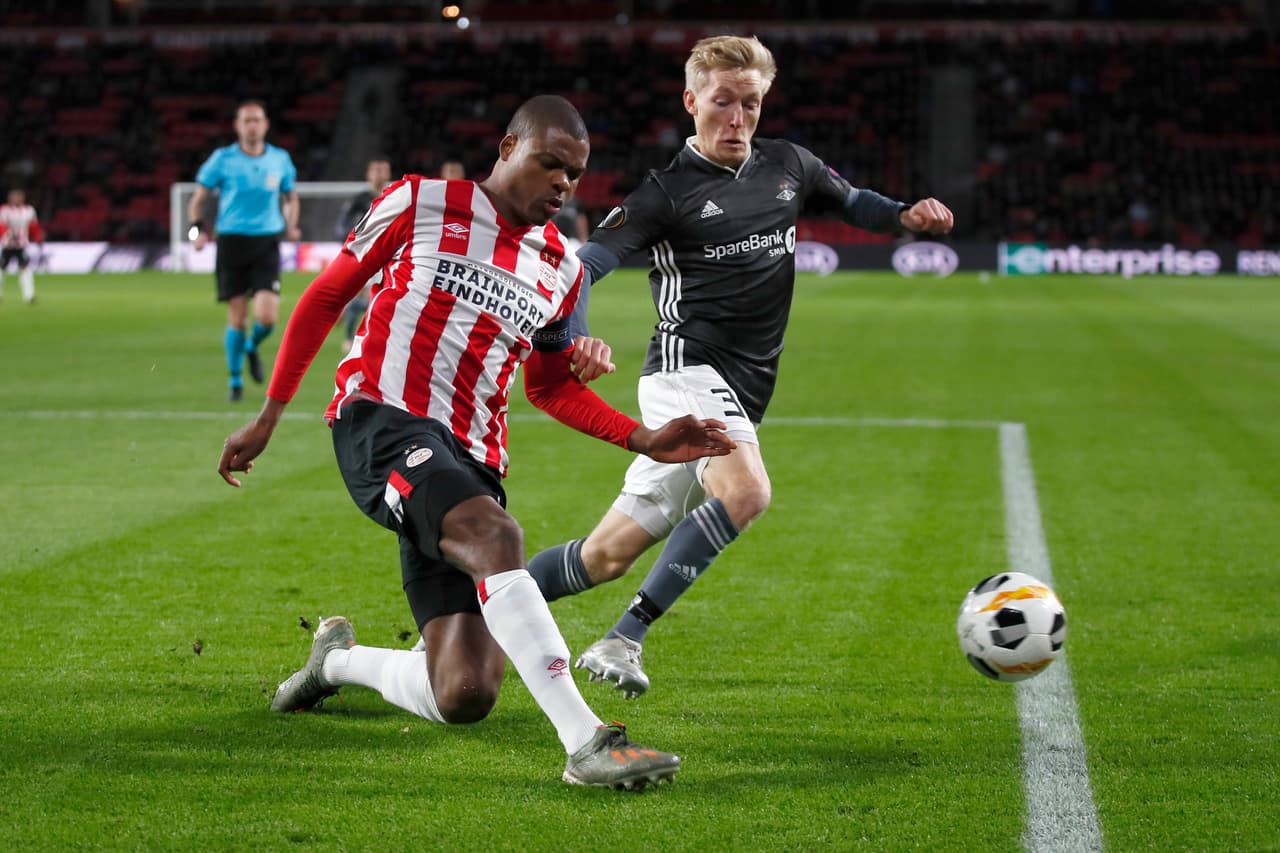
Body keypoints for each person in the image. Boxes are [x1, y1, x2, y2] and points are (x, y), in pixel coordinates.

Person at [216, 95, 736, 789]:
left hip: (471, 460)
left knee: (463, 691)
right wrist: (269, 416)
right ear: (508, 148)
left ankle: (334, 662)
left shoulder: (561, 267)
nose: (562, 183)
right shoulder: (421, 201)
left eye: (574, 174)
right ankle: (588, 742)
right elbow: (326, 296)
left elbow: (549, 389)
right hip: (383, 419)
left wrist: (643, 436)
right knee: (497, 538)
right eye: (550, 163)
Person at [525, 35, 955, 699]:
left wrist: (904, 215)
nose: (737, 118)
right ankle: (624, 637)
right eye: (722, 101)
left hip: (746, 388)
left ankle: (468, 610)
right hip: (684, 373)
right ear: (691, 101)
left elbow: (852, 200)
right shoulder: (665, 194)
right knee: (747, 491)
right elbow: (583, 267)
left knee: (604, 556)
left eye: (749, 104)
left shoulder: (789, 164)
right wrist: (574, 337)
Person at [188, 99, 301, 403]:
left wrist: (292, 225)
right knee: (237, 317)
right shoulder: (222, 159)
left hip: (266, 242)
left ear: (265, 125)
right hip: (231, 242)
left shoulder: (279, 159)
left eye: (257, 120)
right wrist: (197, 232)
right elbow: (197, 201)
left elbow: (291, 197)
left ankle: (251, 347)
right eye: (246, 120)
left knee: (267, 317)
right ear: (237, 126)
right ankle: (235, 381)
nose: (252, 125)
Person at [334, 156, 393, 353]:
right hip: (363, 254)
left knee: (377, 297)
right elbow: (342, 225)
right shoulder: (359, 199)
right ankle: (349, 337)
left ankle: (368, 333)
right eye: (376, 170)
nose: (380, 174)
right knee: (363, 295)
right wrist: (352, 246)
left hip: (386, 255)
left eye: (383, 170)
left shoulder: (394, 196)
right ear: (368, 174)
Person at [0, 188, 43, 305]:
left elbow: (34, 226)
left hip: (21, 245)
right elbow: (1, 225)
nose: (17, 199)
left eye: (19, 197)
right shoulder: (4, 210)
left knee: (25, 269)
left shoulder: (29, 210)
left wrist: (38, 237)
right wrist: (7, 235)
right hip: (7, 245)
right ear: (10, 198)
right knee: (1, 269)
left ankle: (29, 296)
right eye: (14, 197)